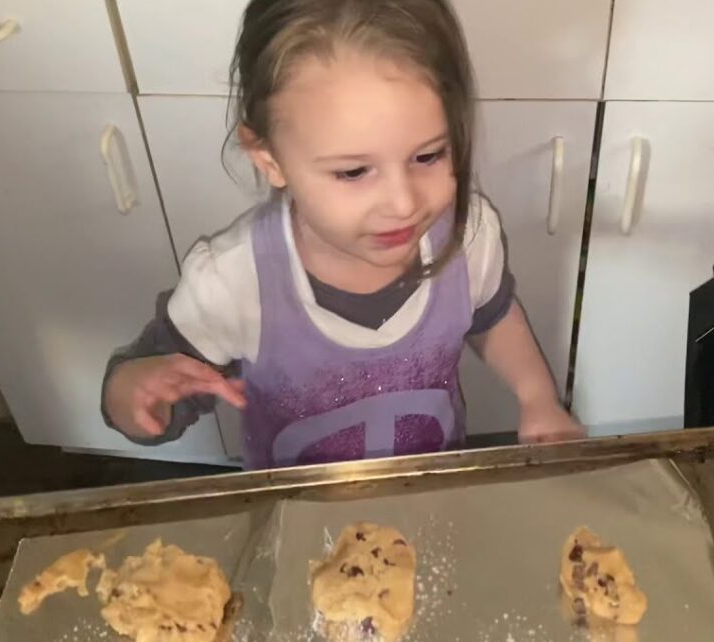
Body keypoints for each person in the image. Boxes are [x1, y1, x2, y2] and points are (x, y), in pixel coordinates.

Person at [101, 0, 585, 469]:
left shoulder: (466, 235)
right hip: (297, 512)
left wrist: (537, 396)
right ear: (269, 159)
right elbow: (151, 393)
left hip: (430, 496)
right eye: (353, 172)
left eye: (428, 156)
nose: (404, 204)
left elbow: (491, 315)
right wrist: (133, 395)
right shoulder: (234, 281)